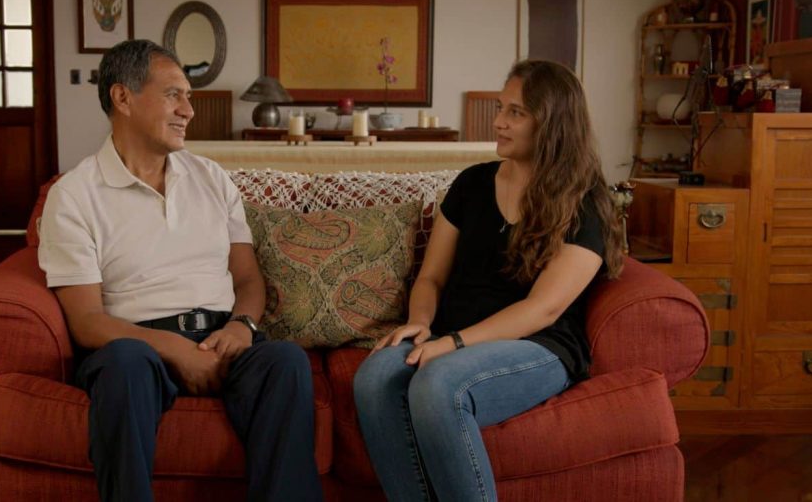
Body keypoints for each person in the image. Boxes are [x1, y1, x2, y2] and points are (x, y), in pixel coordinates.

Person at [38, 39, 322, 502]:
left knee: (285, 361)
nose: (188, 110)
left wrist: (242, 325)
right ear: (122, 97)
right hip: (137, 349)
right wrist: (174, 349)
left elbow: (248, 280)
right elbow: (87, 321)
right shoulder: (73, 195)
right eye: (174, 94)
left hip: (223, 340)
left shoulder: (211, 178)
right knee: (124, 365)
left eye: (188, 96)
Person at [353, 59, 624, 502]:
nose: (498, 122)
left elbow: (544, 309)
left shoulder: (586, 202)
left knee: (439, 383)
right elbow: (431, 278)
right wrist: (423, 323)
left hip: (538, 345)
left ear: (552, 121)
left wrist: (452, 344)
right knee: (374, 376)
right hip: (449, 334)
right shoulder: (472, 184)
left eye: (515, 112)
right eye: (501, 108)